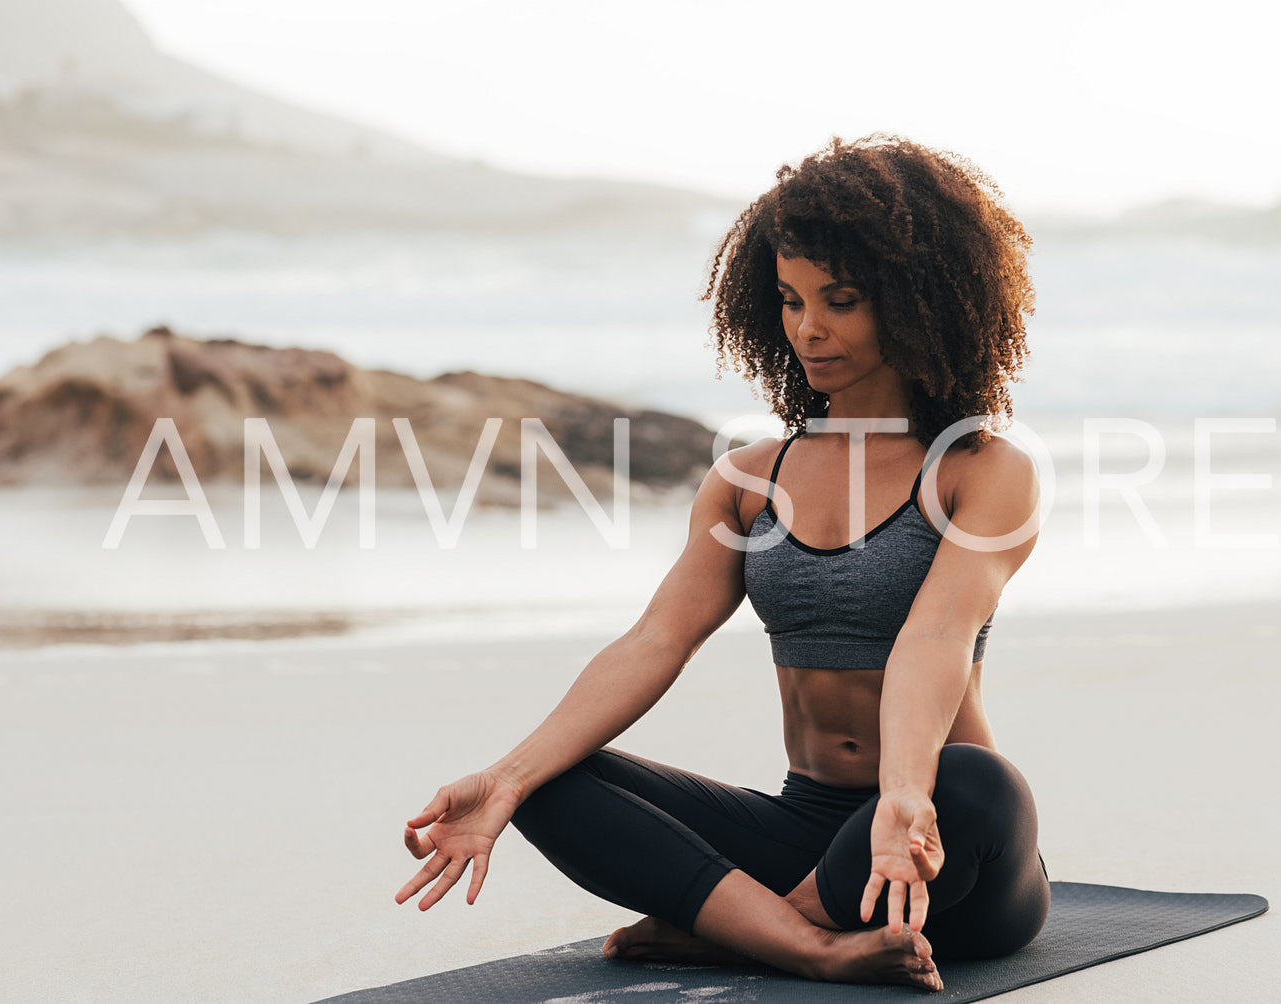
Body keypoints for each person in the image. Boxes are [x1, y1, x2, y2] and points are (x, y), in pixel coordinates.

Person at [395, 134, 1047, 992]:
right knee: (551, 782)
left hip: (939, 844)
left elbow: (935, 636)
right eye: (788, 299)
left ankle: (740, 928)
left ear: (920, 301)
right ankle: (802, 938)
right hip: (802, 826)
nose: (808, 328)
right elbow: (655, 639)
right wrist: (508, 777)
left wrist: (899, 797)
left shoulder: (981, 470)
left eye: (841, 300)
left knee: (976, 780)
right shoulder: (748, 480)